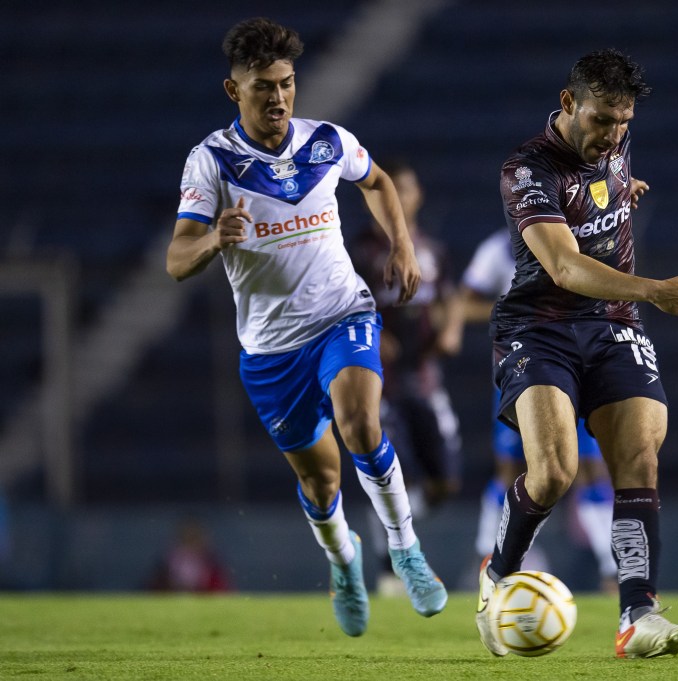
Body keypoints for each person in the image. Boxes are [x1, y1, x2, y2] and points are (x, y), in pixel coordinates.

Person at [166, 17, 446, 637]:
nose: (278, 97)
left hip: (342, 312)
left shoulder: (325, 140)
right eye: (262, 86)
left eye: (287, 83)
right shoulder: (211, 161)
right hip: (270, 350)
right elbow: (176, 258)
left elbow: (375, 181)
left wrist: (401, 244)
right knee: (321, 482)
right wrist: (215, 237)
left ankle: (405, 548)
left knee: (362, 423)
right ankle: (342, 561)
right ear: (232, 90)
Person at [474, 48, 678, 659]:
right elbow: (561, 266)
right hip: (538, 326)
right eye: (600, 121)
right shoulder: (526, 168)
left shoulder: (611, 148)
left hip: (611, 322)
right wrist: (655, 290)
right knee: (555, 473)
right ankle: (495, 579)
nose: (612, 135)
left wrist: (619, 191)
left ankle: (637, 614)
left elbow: (601, 185)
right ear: (568, 105)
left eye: (623, 124)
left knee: (640, 452)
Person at [461, 229, 617, 592]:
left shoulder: (582, 237)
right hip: (521, 370)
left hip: (579, 365)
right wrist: (515, 306)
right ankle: (487, 555)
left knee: (592, 468)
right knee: (512, 469)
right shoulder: (498, 250)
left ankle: (614, 568)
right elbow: (463, 303)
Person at [348, 159, 463, 591]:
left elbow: (452, 295)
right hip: (380, 380)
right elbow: (339, 299)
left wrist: (450, 328)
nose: (401, 197)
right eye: (392, 189)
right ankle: (387, 564)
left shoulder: (431, 249)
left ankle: (389, 530)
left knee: (445, 482)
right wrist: (369, 333)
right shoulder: (358, 250)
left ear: (418, 196)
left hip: (426, 376)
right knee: (398, 471)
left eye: (408, 189)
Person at [147, 518, 232, 592]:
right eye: (186, 537)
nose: (190, 543)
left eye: (194, 537)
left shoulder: (213, 565)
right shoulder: (165, 565)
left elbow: (222, 593)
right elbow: (153, 592)